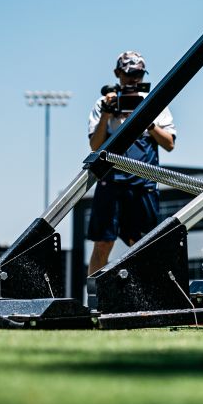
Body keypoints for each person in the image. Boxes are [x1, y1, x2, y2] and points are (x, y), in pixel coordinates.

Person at [86, 51, 176, 275]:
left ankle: (143, 301)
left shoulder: (153, 102)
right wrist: (108, 114)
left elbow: (170, 144)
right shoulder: (104, 103)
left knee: (144, 246)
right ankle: (95, 299)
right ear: (117, 73)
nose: (134, 79)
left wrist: (148, 121)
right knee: (103, 244)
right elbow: (95, 146)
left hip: (143, 185)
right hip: (111, 182)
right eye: (129, 74)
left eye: (139, 74)